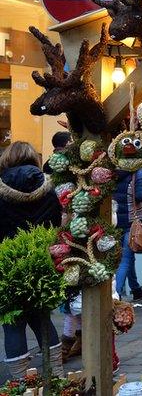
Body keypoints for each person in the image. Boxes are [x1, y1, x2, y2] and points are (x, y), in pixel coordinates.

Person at [0, 142, 64, 380]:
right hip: (41, 260)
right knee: (41, 318)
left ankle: (19, 383)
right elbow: (57, 221)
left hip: (7, 263)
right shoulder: (48, 186)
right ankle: (55, 375)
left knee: (12, 320)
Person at [113, 164, 142, 301]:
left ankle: (136, 288)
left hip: (115, 219)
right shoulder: (137, 173)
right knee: (125, 259)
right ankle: (115, 295)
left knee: (128, 255)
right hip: (131, 221)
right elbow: (141, 195)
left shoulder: (113, 172)